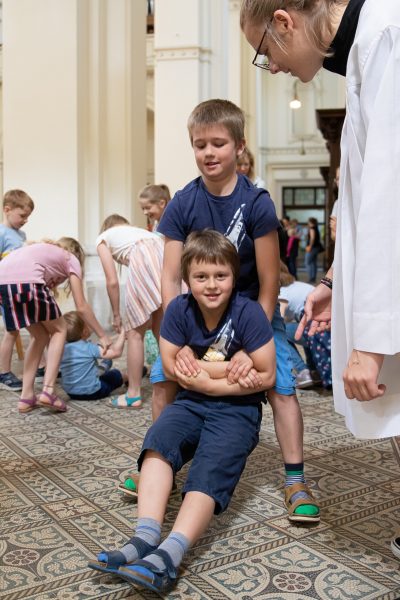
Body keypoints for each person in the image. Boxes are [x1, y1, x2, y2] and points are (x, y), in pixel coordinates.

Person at [240, 0, 400, 556]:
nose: (274, 66)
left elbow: (389, 196)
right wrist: (333, 279)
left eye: (265, 53)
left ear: (284, 21)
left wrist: (372, 342)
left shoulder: (387, 33)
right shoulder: (360, 53)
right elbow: (358, 199)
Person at [157, 98, 320, 522]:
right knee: (162, 377)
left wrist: (254, 345)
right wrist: (176, 341)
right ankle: (161, 462)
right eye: (199, 145)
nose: (208, 153)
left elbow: (268, 282)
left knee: (281, 385)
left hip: (253, 312)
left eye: (218, 143)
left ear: (239, 147)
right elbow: (171, 277)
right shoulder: (181, 203)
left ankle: (295, 480)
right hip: (198, 312)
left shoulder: (257, 202)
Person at [88, 230, 276, 593]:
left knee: (210, 466)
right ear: (187, 279)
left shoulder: (248, 312)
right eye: (201, 277)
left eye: (220, 276)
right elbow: (171, 367)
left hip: (237, 410)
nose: (211, 285)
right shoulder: (177, 309)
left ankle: (169, 556)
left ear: (234, 276)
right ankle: (144, 538)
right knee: (159, 441)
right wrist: (226, 371)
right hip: (190, 403)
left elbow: (266, 374)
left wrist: (205, 379)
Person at [0, 237, 111, 413]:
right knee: (60, 330)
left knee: (40, 336)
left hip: (3, 284)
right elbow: (81, 305)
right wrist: (103, 335)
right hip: (27, 282)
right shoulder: (70, 258)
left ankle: (26, 396)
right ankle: (48, 391)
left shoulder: (42, 252)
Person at [96, 214, 164, 408]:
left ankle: (133, 394)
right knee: (163, 329)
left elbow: (112, 281)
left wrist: (117, 314)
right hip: (163, 252)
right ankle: (181, 385)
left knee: (135, 333)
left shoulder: (103, 238)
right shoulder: (140, 233)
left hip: (143, 256)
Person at [0, 189, 34, 392]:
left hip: (20, 288)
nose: (25, 220)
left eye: (28, 216)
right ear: (7, 209)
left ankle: (40, 366)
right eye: (22, 216)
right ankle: (4, 372)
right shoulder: (2, 233)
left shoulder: (21, 235)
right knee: (12, 331)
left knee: (36, 325)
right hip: (4, 289)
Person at [279, 262, 331, 390]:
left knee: (280, 332)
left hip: (316, 322)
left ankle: (303, 371)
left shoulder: (282, 291)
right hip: (323, 323)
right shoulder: (296, 285)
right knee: (302, 332)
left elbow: (279, 319)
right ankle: (314, 371)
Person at [60, 311, 127, 400]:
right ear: (84, 331)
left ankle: (102, 368)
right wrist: (123, 333)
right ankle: (131, 377)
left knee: (103, 363)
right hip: (93, 391)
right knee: (115, 374)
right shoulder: (89, 347)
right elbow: (116, 352)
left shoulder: (61, 349)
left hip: (71, 392)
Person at [305, 217, 322, 284]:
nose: (308, 223)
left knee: (307, 262)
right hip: (316, 248)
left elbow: (312, 238)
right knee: (313, 263)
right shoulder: (316, 228)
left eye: (308, 222)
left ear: (311, 222)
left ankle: (311, 278)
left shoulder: (312, 229)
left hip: (312, 248)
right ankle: (313, 278)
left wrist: (310, 246)